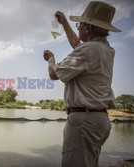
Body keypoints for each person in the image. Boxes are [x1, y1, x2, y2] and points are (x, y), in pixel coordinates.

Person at [43, 1, 121, 167]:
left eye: (79, 25)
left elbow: (54, 74)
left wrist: (51, 59)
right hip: (99, 121)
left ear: (88, 28)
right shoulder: (106, 50)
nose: (77, 28)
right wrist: (64, 23)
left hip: (83, 124)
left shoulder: (88, 50)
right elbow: (78, 45)